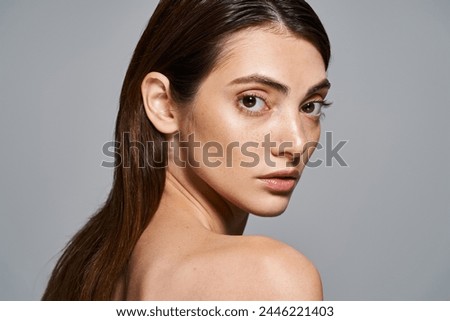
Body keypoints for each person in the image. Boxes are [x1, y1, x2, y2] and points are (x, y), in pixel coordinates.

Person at [42, 0, 331, 300]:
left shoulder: (88, 266)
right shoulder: (270, 277)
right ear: (163, 104)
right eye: (252, 101)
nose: (297, 143)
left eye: (310, 106)